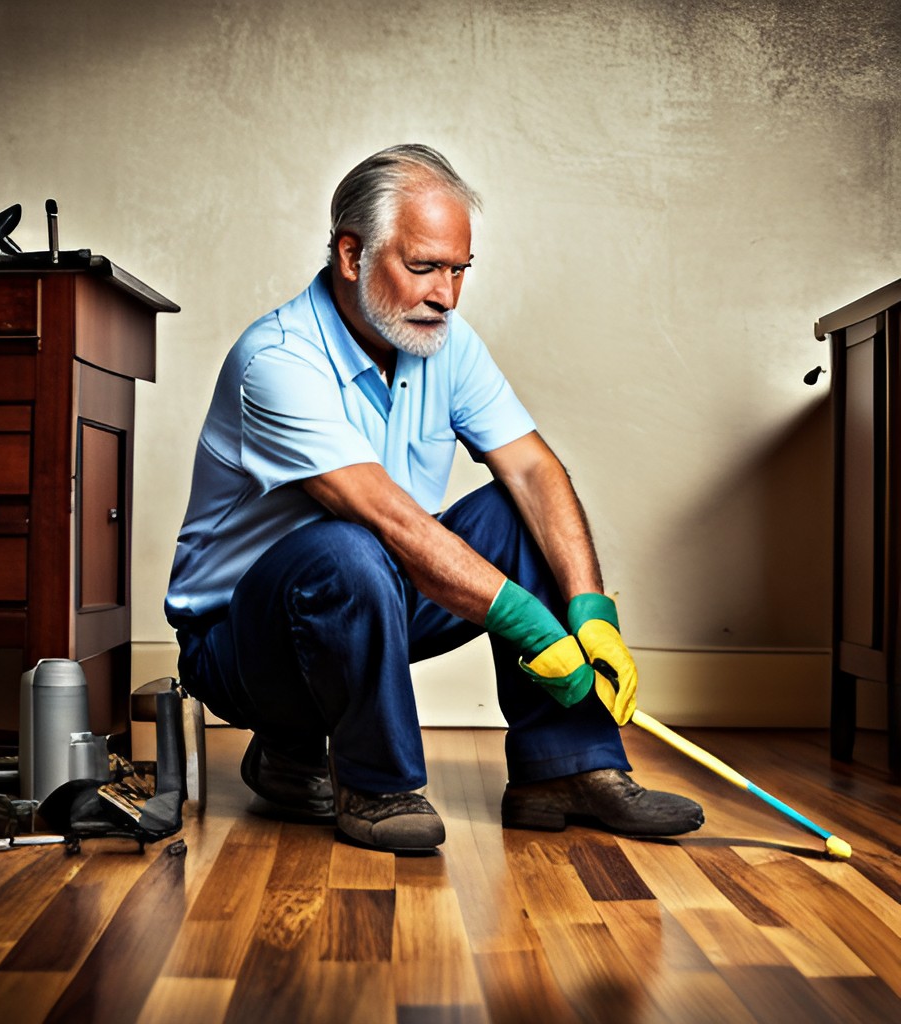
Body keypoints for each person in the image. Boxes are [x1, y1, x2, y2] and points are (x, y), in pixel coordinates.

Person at [165, 144, 703, 851]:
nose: (444, 294)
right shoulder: (277, 360)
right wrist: (528, 624)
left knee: (515, 515)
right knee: (347, 549)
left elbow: (535, 472)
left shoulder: (443, 341)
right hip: (243, 645)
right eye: (422, 268)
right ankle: (373, 783)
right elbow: (384, 515)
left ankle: (567, 768)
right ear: (352, 256)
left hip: (372, 603)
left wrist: (587, 608)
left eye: (458, 271)